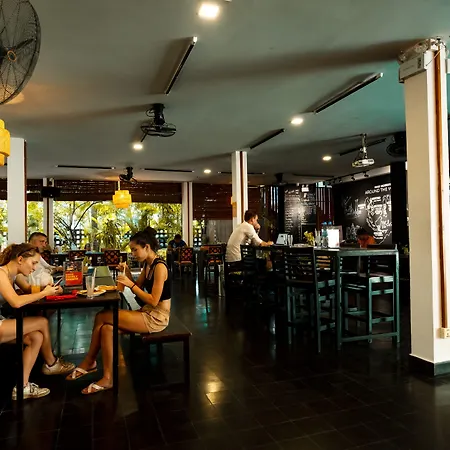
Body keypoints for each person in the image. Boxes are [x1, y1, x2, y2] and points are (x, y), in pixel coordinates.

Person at [68, 227, 171, 395]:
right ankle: (108, 378)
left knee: (102, 316)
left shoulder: (160, 267)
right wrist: (127, 273)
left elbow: (153, 300)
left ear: (146, 247)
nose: (132, 254)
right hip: (146, 312)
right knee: (107, 329)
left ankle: (90, 361)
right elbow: (138, 285)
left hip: (157, 317)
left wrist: (130, 284)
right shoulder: (148, 264)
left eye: (135, 250)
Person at [0, 243, 75, 400]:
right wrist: (44, 293)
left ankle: (22, 387)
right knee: (41, 322)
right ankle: (51, 364)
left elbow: (29, 291)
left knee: (36, 337)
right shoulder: (1, 273)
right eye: (33, 263)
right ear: (20, 259)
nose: (35, 268)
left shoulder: (13, 274)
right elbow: (16, 302)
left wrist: (50, 290)